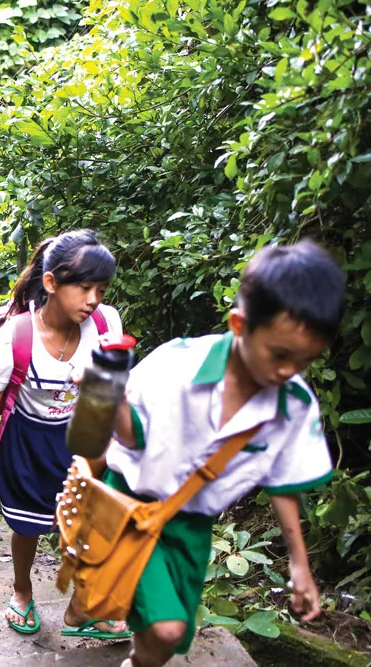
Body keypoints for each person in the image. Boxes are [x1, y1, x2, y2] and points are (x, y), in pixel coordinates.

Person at [102, 240, 344, 667]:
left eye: (305, 361)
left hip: (192, 524)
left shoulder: (294, 403)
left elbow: (282, 481)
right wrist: (107, 395)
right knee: (167, 628)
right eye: (280, 354)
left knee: (165, 642)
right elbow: (127, 435)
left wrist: (299, 565)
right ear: (238, 324)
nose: (289, 371)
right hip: (131, 505)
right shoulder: (174, 366)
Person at [0, 229, 129, 638]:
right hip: (27, 442)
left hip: (82, 435)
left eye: (101, 288)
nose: (93, 299)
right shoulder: (14, 338)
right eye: (83, 287)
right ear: (51, 283)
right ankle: (22, 592)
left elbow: (115, 385)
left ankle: (85, 605)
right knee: (27, 527)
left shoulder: (106, 322)